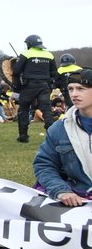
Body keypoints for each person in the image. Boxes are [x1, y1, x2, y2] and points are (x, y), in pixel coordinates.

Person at [33, 68, 92, 206]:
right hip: (78, 200)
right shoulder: (59, 128)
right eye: (71, 89)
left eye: (81, 88)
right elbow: (44, 164)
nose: (74, 94)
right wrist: (62, 191)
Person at [13, 34, 56, 142]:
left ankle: (23, 136)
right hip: (44, 86)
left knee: (23, 110)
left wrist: (17, 87)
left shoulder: (25, 54)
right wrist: (50, 85)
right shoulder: (49, 55)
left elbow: (16, 71)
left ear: (29, 44)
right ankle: (52, 135)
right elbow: (54, 73)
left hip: (29, 86)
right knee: (47, 111)